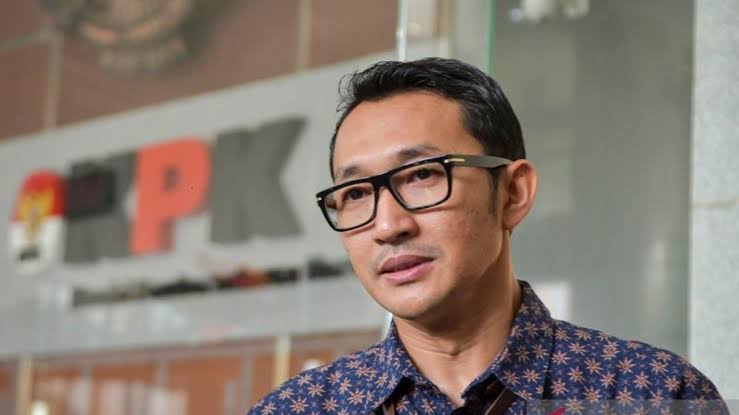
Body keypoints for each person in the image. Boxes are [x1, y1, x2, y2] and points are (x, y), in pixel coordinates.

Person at [248, 58, 726, 414]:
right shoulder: (298, 409)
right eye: (355, 193)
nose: (388, 226)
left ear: (513, 193)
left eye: (422, 175)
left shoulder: (653, 395)